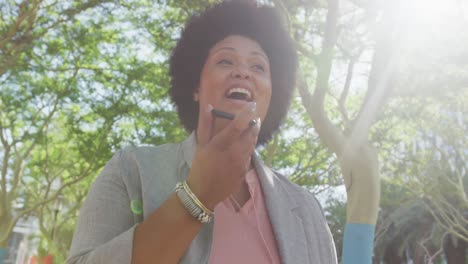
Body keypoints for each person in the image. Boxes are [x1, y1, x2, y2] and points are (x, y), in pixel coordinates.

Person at [67, 1, 376, 263]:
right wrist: (198, 196)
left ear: (272, 95)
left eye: (258, 67)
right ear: (196, 87)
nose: (243, 72)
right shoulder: (131, 171)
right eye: (225, 60)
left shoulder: (307, 209)